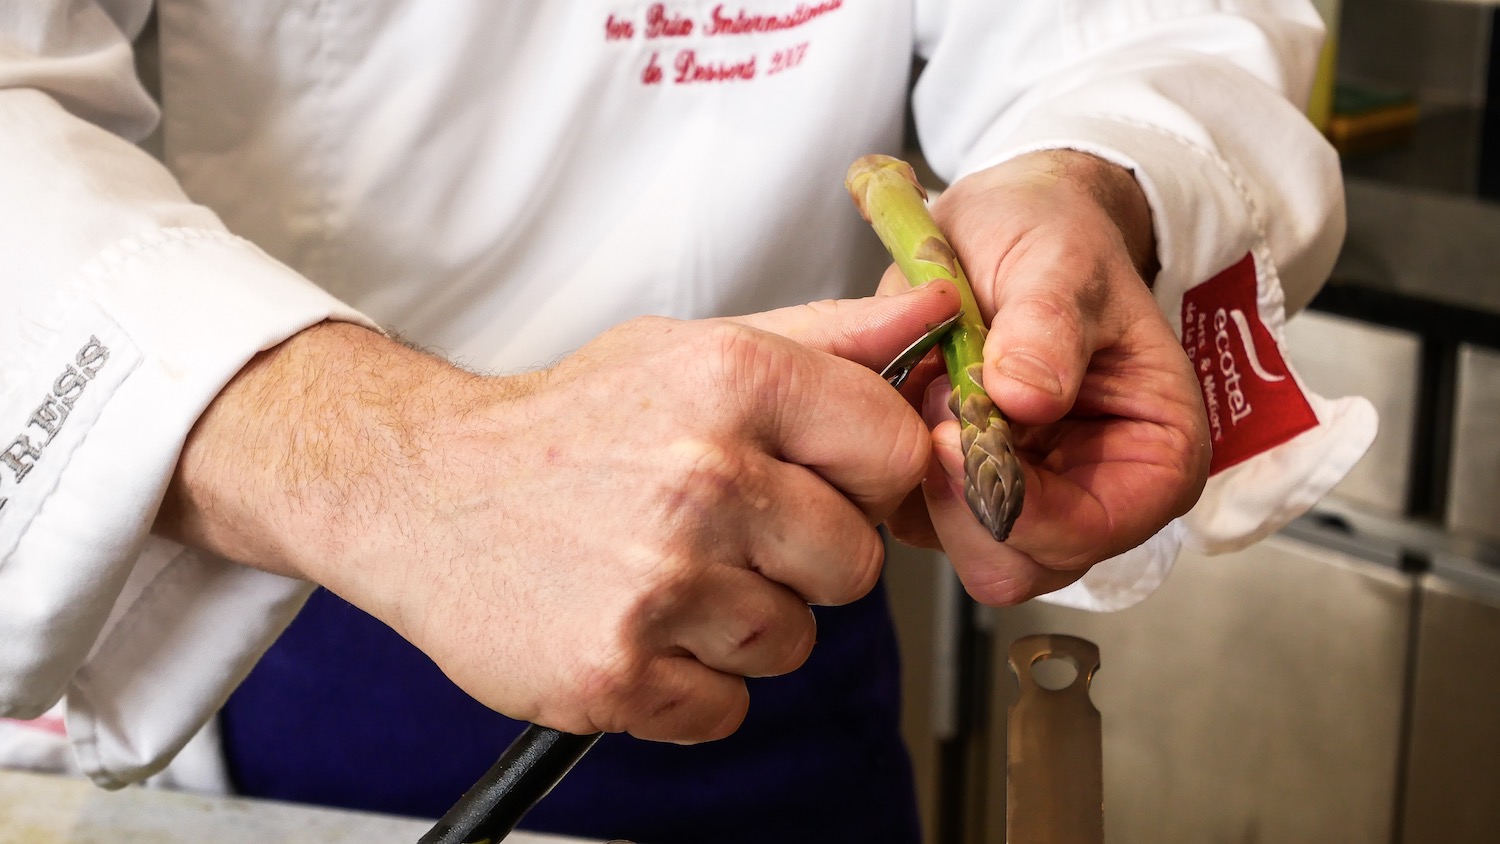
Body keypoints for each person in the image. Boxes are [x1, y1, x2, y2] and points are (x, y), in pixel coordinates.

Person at [0, 2, 1375, 842]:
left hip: (790, 655)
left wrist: (1093, 179)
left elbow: (1139, 25)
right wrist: (393, 462)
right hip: (252, 642)